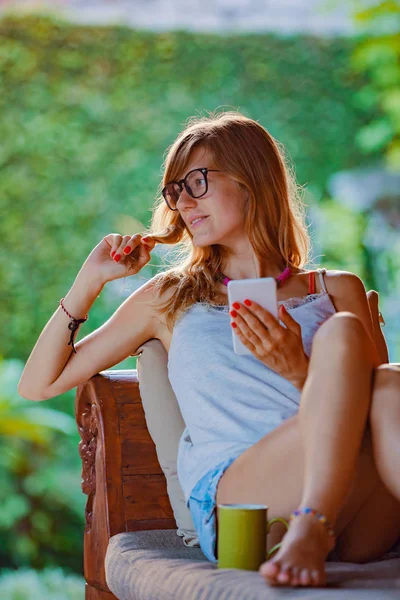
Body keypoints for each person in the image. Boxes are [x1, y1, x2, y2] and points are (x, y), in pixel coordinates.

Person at [18, 110, 400, 588]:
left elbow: (375, 417)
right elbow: (38, 384)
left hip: (355, 514)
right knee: (350, 341)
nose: (182, 203)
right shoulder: (170, 297)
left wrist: (298, 370)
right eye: (174, 191)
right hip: (247, 508)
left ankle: (314, 524)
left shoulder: (336, 289)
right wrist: (88, 282)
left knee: (383, 374)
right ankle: (307, 526)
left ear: (252, 177)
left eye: (196, 182)